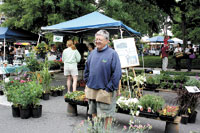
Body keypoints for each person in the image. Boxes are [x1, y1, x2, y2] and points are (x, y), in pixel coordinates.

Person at [84, 30, 121, 129]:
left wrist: (109, 88)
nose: (97, 41)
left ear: (107, 41)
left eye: (100, 39)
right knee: (93, 113)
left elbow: (117, 73)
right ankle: (96, 130)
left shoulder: (112, 54)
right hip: (92, 90)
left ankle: (105, 131)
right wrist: (87, 81)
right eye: (96, 39)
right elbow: (86, 68)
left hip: (105, 90)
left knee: (107, 115)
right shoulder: (92, 53)